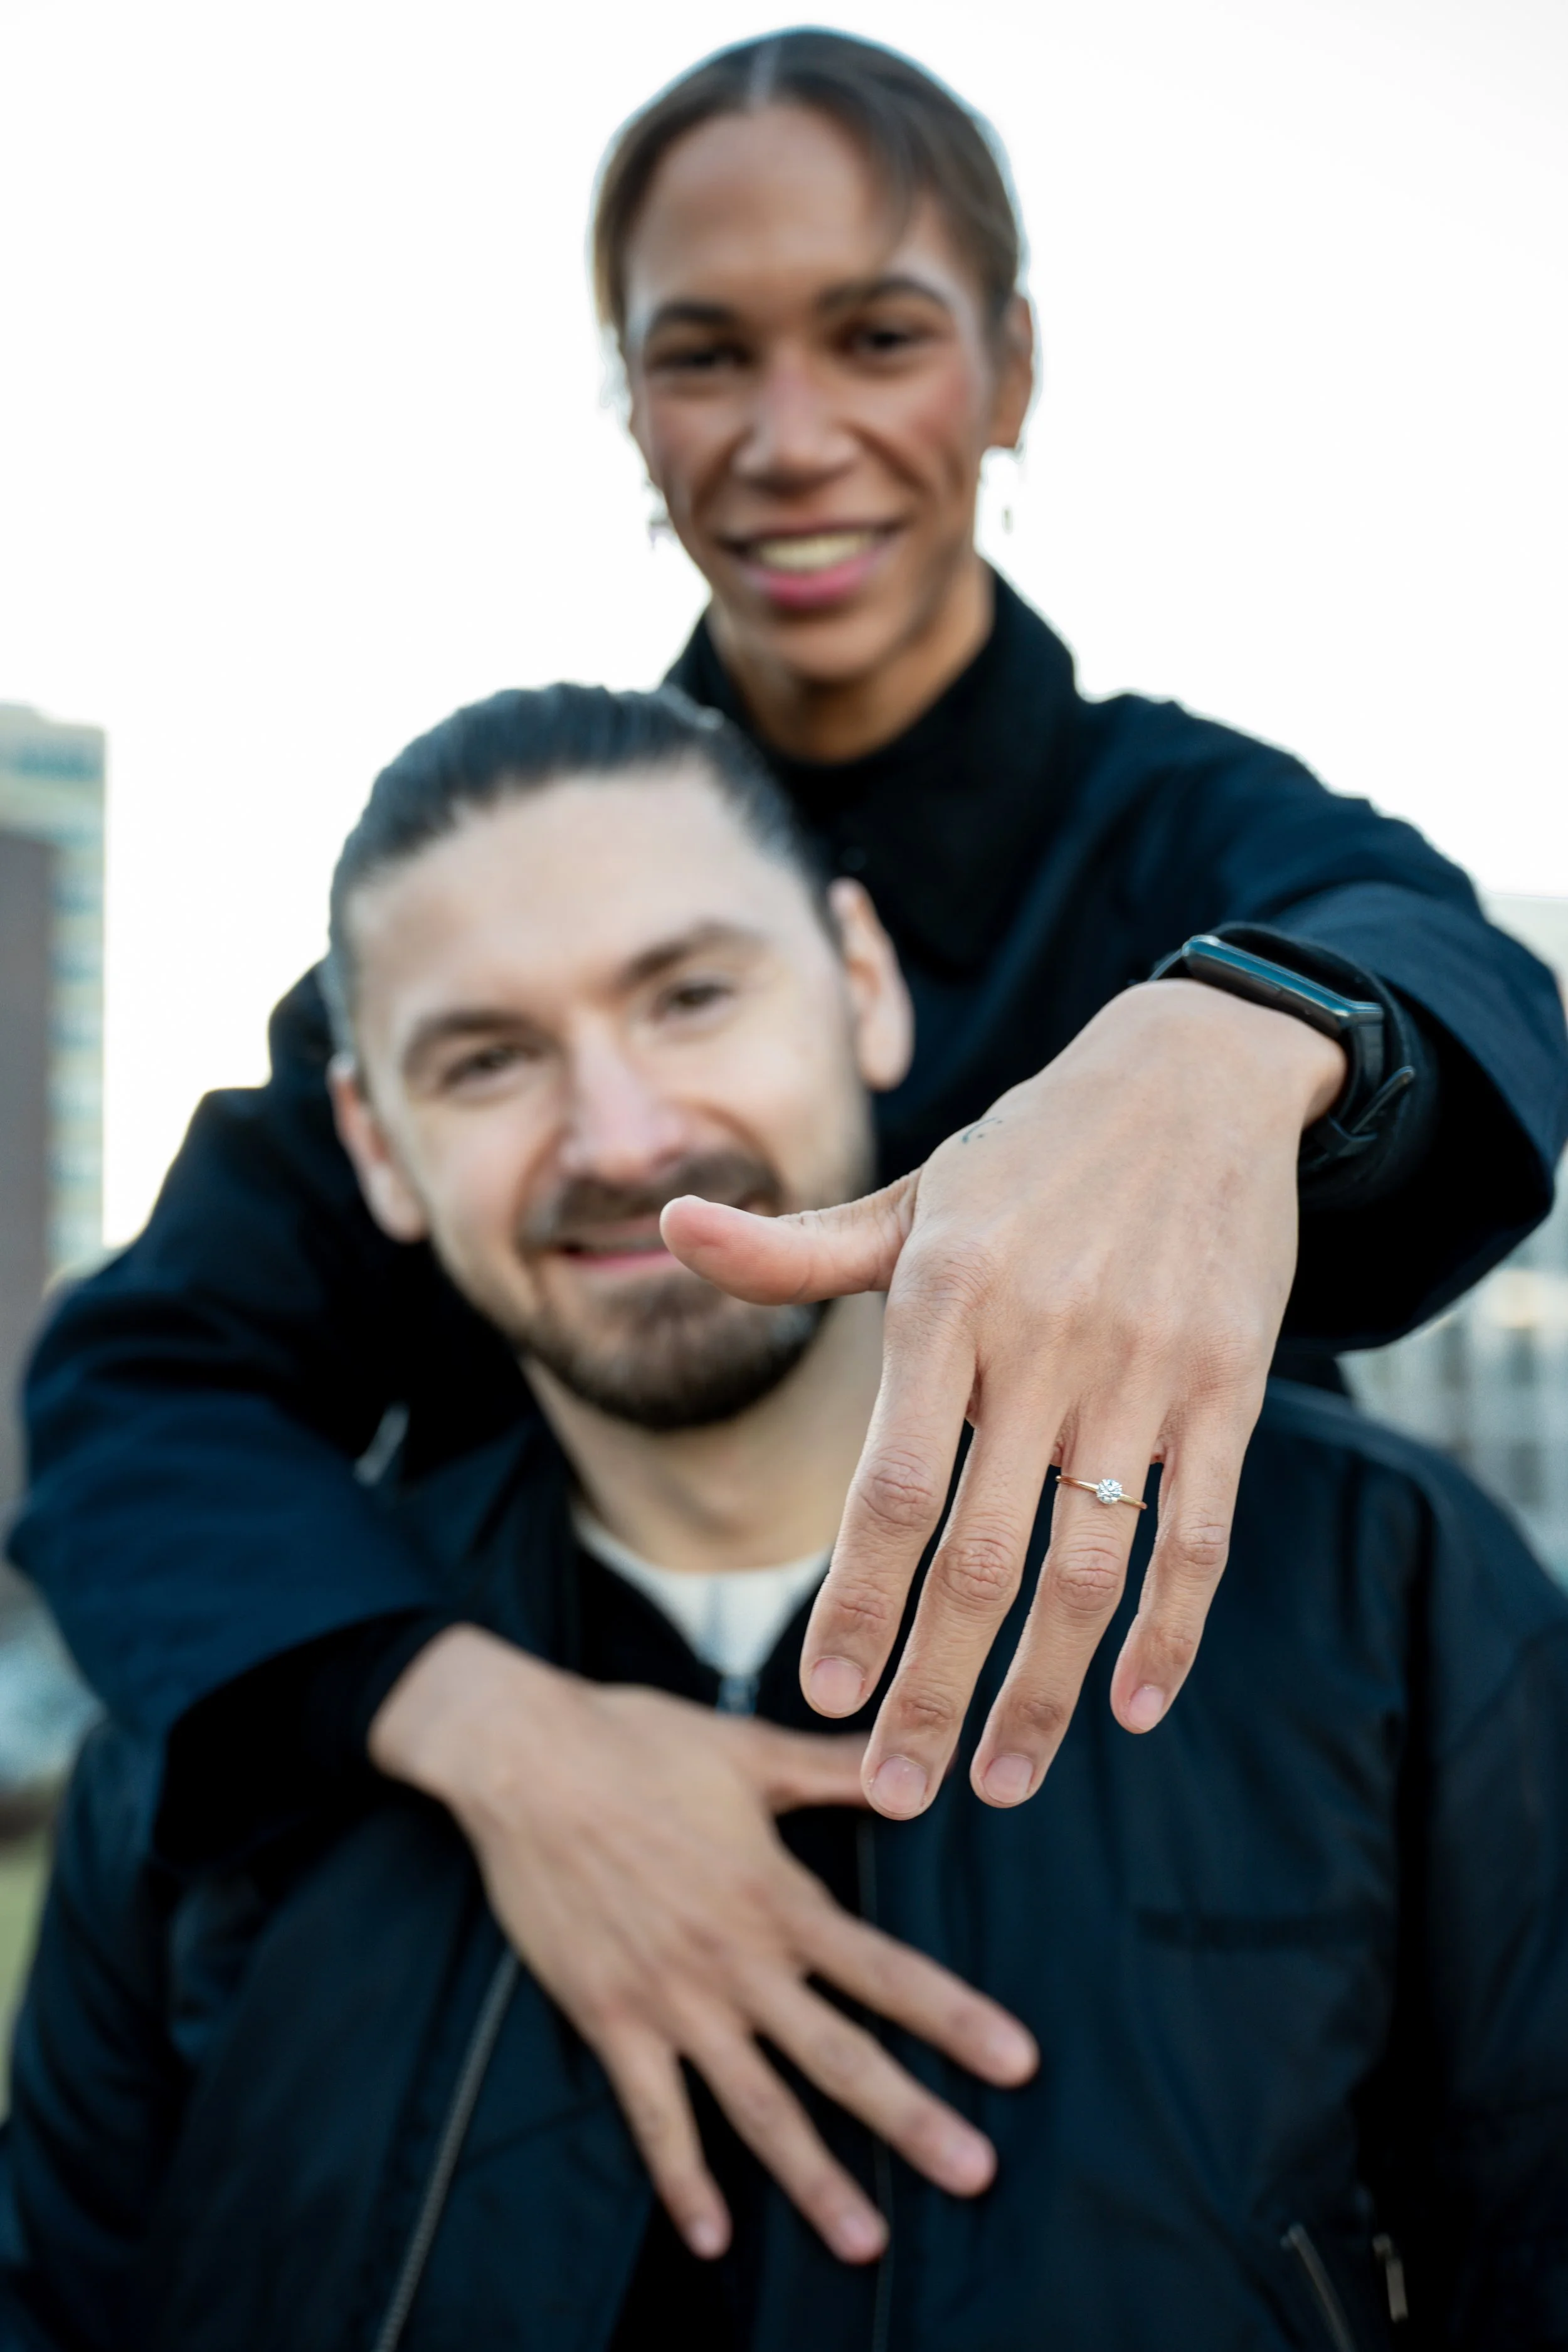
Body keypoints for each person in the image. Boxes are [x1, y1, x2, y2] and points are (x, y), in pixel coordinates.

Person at [5, 686, 1565, 2352]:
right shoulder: (211, 1755)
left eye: (689, 992)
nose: (621, 1138)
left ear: (867, 988)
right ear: (376, 1156)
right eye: (486, 1058)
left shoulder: (1384, 1601)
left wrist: (1248, 1026)